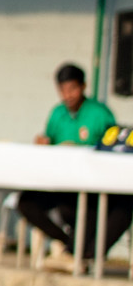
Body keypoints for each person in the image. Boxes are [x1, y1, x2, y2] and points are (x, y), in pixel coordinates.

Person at [18, 63, 129, 257]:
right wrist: (43, 143)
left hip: (91, 184)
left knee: (88, 207)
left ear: (83, 87)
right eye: (63, 90)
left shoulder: (100, 113)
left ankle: (76, 253)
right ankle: (68, 244)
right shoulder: (57, 113)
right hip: (61, 182)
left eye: (72, 89)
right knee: (25, 202)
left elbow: (113, 145)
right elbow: (49, 142)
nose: (68, 95)